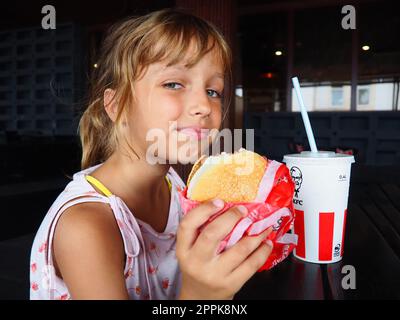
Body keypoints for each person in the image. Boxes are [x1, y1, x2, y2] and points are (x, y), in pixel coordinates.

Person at [29, 8, 273, 300]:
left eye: (213, 91)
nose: (205, 106)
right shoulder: (85, 226)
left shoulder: (176, 187)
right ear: (117, 105)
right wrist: (203, 295)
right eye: (173, 84)